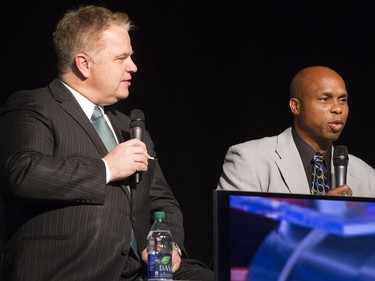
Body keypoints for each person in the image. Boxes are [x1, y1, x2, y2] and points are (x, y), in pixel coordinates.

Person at [0, 5, 213, 281]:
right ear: (84, 63)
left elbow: (163, 201)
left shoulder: (130, 127)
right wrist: (106, 168)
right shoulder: (35, 105)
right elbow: (24, 172)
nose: (133, 67)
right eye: (121, 58)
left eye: (131, 57)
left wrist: (168, 243)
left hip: (141, 271)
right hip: (70, 268)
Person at [217, 65, 375, 197]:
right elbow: (238, 231)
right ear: (296, 106)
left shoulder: (367, 175)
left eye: (343, 100)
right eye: (325, 99)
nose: (337, 109)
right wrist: (320, 217)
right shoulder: (249, 160)